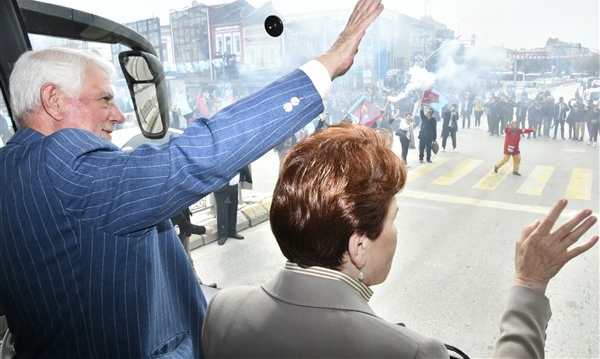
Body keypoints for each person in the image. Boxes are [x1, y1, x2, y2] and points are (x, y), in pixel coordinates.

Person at [0, 0, 385, 358]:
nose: (118, 115)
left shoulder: (10, 169)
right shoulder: (68, 167)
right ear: (53, 100)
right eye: (104, 99)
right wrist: (329, 63)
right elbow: (194, 157)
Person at [201, 122, 599, 359]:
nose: (395, 233)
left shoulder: (223, 310)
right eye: (392, 220)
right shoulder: (409, 352)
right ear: (358, 246)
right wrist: (529, 286)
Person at [171, 207, 214, 282]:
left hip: (180, 234)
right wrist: (203, 230)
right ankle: (198, 286)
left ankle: (198, 285)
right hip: (178, 235)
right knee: (187, 263)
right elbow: (184, 224)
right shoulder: (173, 201)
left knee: (187, 262)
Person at [214, 165, 251, 245]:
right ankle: (222, 234)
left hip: (234, 185)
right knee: (222, 211)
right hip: (222, 186)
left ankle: (232, 231)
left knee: (233, 209)